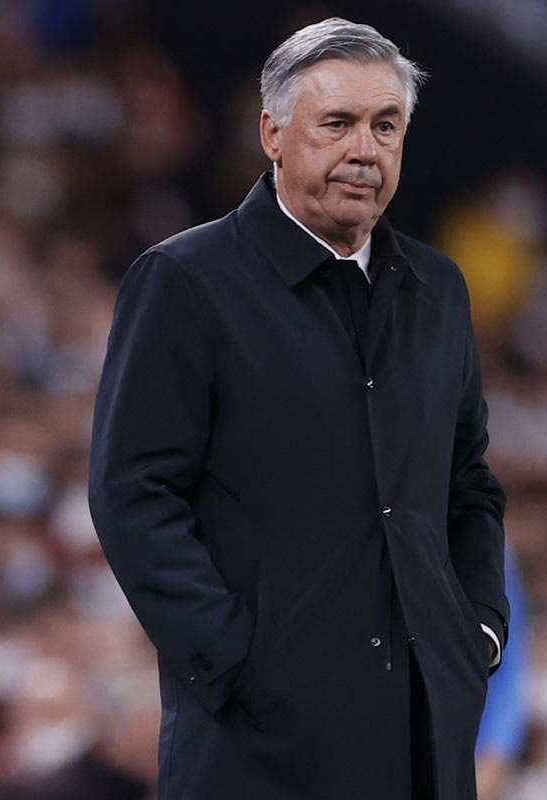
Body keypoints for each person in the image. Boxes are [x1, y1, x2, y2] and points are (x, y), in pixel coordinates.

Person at [89, 17, 509, 799]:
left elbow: (468, 485)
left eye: (386, 126)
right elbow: (132, 492)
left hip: (424, 735)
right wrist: (232, 662)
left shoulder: (439, 290)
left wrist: (479, 628)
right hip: (259, 751)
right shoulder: (186, 280)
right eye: (337, 123)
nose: (365, 150)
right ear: (273, 135)